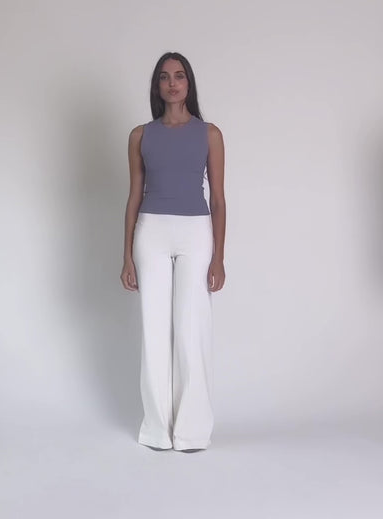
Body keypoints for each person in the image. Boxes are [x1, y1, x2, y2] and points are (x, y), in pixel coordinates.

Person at [120, 51, 226, 453]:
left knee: (191, 328)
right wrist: (126, 256)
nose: (172, 83)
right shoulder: (140, 135)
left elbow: (218, 199)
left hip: (196, 233)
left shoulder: (209, 134)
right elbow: (133, 197)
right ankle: (156, 429)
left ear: (189, 83)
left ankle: (192, 431)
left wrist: (218, 257)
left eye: (179, 76)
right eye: (164, 77)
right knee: (154, 330)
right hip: (151, 232)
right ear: (157, 86)